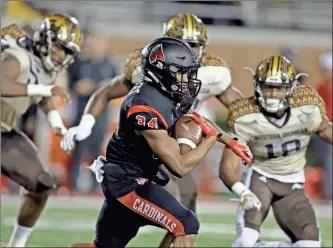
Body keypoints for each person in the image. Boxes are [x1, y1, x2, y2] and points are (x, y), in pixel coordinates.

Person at [60, 12, 244, 247]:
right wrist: (212, 138)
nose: (188, 79)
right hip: (129, 182)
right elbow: (179, 166)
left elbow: (192, 117)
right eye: (181, 71)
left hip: (137, 174)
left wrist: (229, 141)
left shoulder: (169, 89)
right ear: (164, 70)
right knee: (186, 224)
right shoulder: (145, 106)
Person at [219, 56, 332, 247]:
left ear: (290, 88)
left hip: (293, 182)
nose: (272, 94)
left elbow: (326, 130)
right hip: (260, 179)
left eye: (278, 88)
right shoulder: (245, 116)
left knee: (310, 245)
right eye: (267, 87)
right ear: (257, 86)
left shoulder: (307, 108)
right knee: (245, 241)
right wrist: (243, 192)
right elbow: (226, 168)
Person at [0, 14, 82, 247]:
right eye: (60, 47)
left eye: (68, 52)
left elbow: (42, 97)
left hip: (3, 131)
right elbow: (2, 85)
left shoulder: (43, 65)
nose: (62, 56)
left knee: (41, 183)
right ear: (45, 39)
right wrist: (46, 89)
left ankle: (16, 245)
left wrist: (57, 124)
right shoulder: (16, 55)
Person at [67, 32, 118, 193]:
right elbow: (75, 87)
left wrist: (93, 87)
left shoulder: (110, 66)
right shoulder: (81, 64)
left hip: (101, 117)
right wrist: (96, 88)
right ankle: (73, 186)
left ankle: (96, 187)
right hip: (81, 115)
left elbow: (112, 90)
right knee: (78, 151)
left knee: (97, 152)